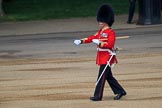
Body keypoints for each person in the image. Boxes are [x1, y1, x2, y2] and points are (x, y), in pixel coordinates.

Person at [73, 4, 126, 101]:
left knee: (101, 77)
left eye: (101, 21)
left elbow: (110, 44)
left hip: (107, 57)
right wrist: (81, 41)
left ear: (106, 21)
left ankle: (98, 96)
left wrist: (100, 43)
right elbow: (91, 38)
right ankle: (120, 91)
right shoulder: (100, 32)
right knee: (108, 76)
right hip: (101, 56)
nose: (99, 22)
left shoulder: (111, 32)